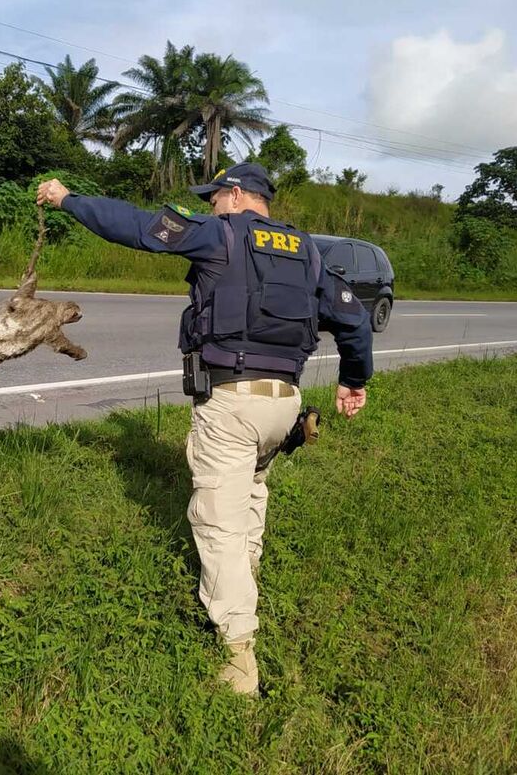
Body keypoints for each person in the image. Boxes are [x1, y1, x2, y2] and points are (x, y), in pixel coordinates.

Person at [37, 163, 373, 696]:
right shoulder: (308, 252)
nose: (211, 205)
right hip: (285, 406)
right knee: (251, 494)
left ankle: (238, 656)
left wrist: (68, 199)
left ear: (236, 195)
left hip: (231, 402)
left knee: (217, 520)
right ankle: (244, 583)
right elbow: (354, 319)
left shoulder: (222, 232)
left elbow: (138, 226)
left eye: (214, 196)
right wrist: (353, 379)